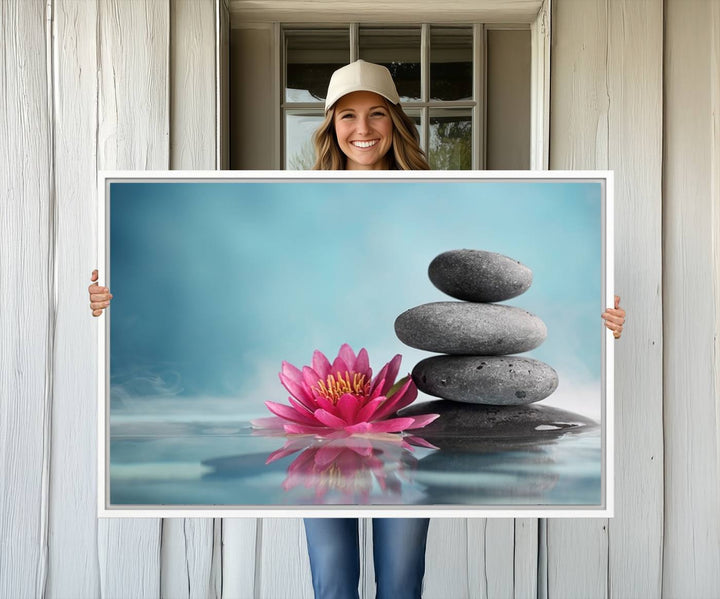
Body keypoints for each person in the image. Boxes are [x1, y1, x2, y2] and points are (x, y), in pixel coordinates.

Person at [88, 60, 626, 598]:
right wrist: (107, 301)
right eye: (348, 116)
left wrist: (608, 324)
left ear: (395, 122)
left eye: (376, 115)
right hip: (316, 412)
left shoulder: (443, 194)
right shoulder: (290, 198)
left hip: (410, 408)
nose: (362, 130)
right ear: (330, 126)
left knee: (401, 579)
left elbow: (484, 280)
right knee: (332, 578)